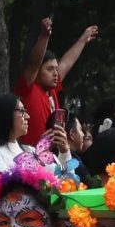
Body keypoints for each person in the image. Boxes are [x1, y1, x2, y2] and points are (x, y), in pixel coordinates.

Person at [16, 16, 96, 145]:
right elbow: (34, 63)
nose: (55, 73)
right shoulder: (29, 88)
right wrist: (44, 36)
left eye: (55, 69)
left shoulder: (52, 91)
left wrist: (83, 39)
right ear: (37, 73)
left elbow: (66, 63)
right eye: (49, 69)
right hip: (29, 156)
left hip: (51, 156)